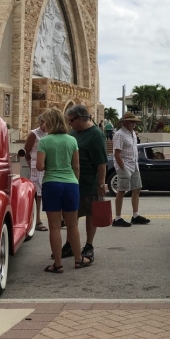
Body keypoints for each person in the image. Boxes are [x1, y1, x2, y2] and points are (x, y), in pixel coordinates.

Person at [36, 109, 92, 272]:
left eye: (45, 121)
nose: (43, 125)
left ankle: (58, 264)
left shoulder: (44, 141)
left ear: (51, 122)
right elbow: (76, 165)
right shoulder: (72, 140)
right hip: (71, 184)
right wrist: (75, 181)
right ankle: (78, 259)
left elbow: (39, 167)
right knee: (73, 225)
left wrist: (50, 164)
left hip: (51, 184)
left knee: (54, 227)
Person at [61, 105, 108, 261]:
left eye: (72, 120)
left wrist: (101, 184)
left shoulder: (96, 135)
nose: (70, 124)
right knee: (71, 215)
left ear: (82, 118)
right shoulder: (73, 132)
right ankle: (70, 244)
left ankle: (89, 245)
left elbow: (101, 163)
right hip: (72, 181)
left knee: (90, 214)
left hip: (89, 181)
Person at [112, 111, 150, 227]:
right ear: (125, 122)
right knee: (122, 190)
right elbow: (117, 154)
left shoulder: (132, 133)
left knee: (137, 188)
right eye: (131, 122)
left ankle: (135, 215)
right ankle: (117, 218)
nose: (133, 124)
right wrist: (122, 168)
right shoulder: (120, 134)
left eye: (134, 122)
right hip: (125, 165)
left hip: (134, 164)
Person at [24, 112, 48, 231]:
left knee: (43, 193)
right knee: (37, 194)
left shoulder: (49, 133)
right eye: (43, 122)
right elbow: (26, 150)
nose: (45, 125)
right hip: (35, 165)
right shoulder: (34, 134)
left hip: (46, 166)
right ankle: (37, 219)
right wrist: (30, 163)